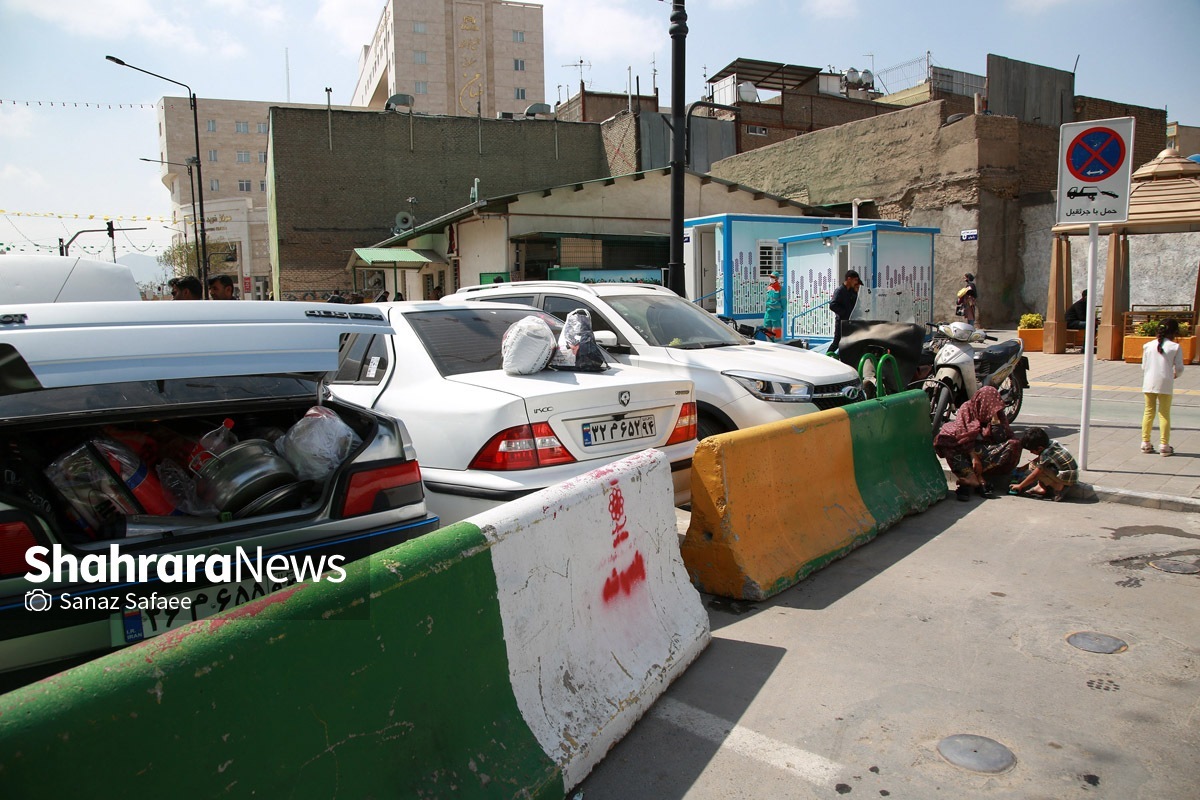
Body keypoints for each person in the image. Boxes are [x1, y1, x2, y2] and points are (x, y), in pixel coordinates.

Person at [933, 386, 1021, 501]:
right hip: (966, 451)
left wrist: (994, 418)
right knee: (945, 439)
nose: (993, 411)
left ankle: (977, 479)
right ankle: (973, 477)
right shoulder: (967, 408)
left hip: (986, 452)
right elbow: (962, 434)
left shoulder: (997, 414)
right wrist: (973, 456)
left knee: (1014, 444)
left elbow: (1001, 438)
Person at [1141, 318, 1185, 456]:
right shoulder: (1175, 347)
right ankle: (1164, 445)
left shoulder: (1148, 345)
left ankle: (1145, 442)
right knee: (1164, 413)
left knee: (1148, 412)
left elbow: (1144, 366)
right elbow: (1179, 368)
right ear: (1174, 332)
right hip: (1165, 382)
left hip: (1149, 382)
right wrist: (1176, 375)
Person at [1010, 427, 1078, 501]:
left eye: (1032, 450)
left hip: (1066, 479)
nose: (1031, 452)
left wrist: (1020, 486)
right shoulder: (1052, 443)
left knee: (1034, 466)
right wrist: (1023, 468)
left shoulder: (1046, 454)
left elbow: (1034, 475)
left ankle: (1058, 488)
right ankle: (1041, 487)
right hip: (1071, 474)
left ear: (1040, 448)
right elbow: (1040, 459)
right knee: (1037, 464)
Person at [829, 269, 862, 353]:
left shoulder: (851, 291)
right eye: (855, 280)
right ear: (849, 279)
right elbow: (832, 305)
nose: (856, 282)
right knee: (836, 343)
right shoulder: (840, 291)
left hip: (849, 321)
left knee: (846, 343)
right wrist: (844, 313)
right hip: (841, 322)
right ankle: (826, 358)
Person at [763, 273, 783, 341]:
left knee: (776, 329)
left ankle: (777, 344)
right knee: (767, 328)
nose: (771, 278)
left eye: (772, 277)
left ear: (776, 278)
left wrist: (781, 311)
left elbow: (784, 302)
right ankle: (769, 343)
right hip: (768, 312)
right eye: (770, 277)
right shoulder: (769, 288)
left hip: (776, 313)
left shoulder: (780, 288)